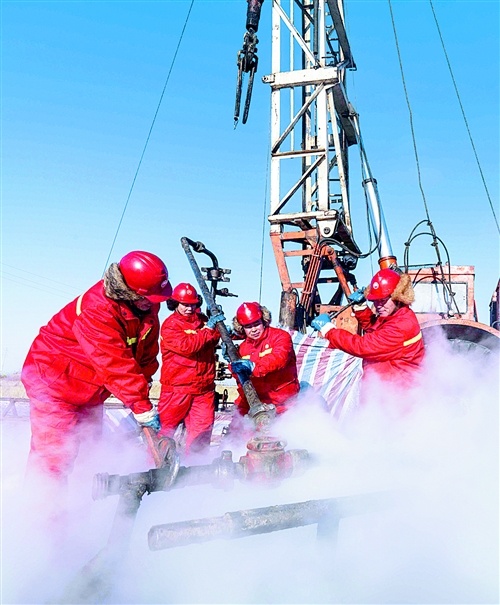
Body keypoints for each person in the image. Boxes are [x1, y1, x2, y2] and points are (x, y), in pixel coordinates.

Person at [21, 250, 171, 482]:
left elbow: (146, 350)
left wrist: (144, 382)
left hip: (90, 387)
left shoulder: (147, 304)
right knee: (54, 457)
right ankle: (41, 503)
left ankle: (83, 500)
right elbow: (114, 363)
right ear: (129, 291)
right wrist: (141, 406)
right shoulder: (97, 309)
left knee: (90, 451)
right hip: (54, 382)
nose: (153, 303)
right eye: (148, 298)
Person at [311, 269, 425, 389]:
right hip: (386, 388)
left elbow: (362, 346)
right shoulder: (398, 315)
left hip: (398, 392)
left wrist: (328, 330)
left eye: (383, 300)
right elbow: (377, 331)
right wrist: (360, 308)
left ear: (398, 296)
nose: (378, 306)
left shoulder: (401, 326)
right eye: (375, 301)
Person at [158, 283, 223, 453]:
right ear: (175, 303)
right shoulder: (170, 325)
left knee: (201, 433)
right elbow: (188, 346)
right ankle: (155, 464)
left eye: (192, 304)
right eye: (185, 304)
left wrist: (219, 326)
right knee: (165, 431)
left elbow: (214, 338)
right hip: (177, 390)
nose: (189, 308)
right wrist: (208, 329)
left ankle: (196, 466)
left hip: (203, 390)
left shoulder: (203, 321)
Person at [229, 302, 300, 416]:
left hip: (283, 403)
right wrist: (232, 364)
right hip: (255, 402)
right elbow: (240, 378)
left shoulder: (281, 337)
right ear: (241, 328)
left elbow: (279, 358)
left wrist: (254, 367)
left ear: (264, 321)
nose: (253, 330)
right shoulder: (242, 349)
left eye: (256, 324)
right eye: (248, 326)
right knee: (237, 424)